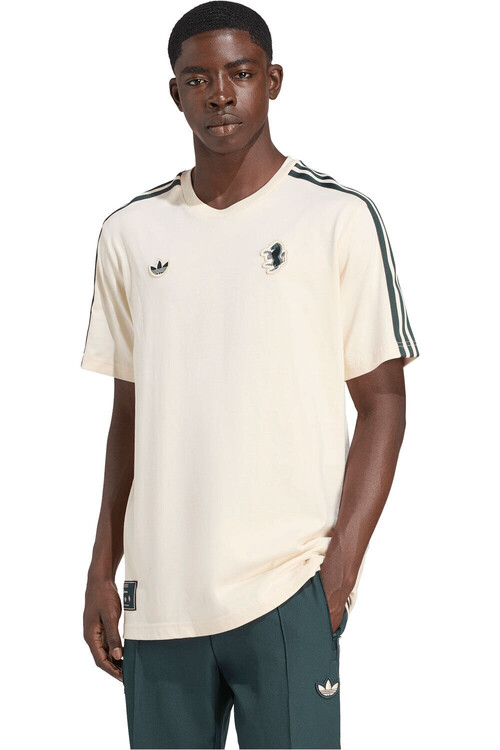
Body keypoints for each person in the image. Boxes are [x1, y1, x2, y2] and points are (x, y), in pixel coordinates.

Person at [81, 2, 420, 747]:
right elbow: (130, 417)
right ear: (175, 92)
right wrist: (103, 569)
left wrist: (337, 576)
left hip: (286, 587)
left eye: (239, 73)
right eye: (198, 79)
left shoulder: (336, 217)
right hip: (161, 598)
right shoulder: (130, 232)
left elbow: (383, 403)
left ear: (273, 80)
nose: (220, 94)